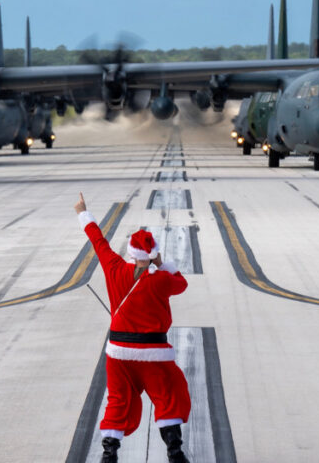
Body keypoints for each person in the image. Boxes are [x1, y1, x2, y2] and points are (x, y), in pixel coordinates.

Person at [74, 192, 191, 463]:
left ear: (130, 252)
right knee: (168, 396)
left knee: (117, 399)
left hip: (119, 352)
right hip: (153, 353)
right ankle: (175, 453)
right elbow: (181, 283)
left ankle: (109, 454)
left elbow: (98, 240)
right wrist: (161, 263)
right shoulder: (161, 280)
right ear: (151, 254)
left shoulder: (115, 268)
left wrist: (83, 212)